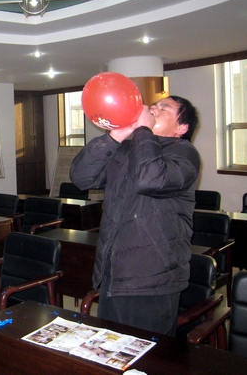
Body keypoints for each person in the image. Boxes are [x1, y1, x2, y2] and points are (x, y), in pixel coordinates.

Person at [70, 95, 200, 337]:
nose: (153, 109)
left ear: (182, 127)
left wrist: (142, 130)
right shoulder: (128, 148)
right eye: (154, 105)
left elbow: (150, 179)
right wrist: (115, 137)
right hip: (114, 272)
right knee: (111, 347)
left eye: (164, 108)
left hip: (152, 277)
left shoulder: (184, 153)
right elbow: (81, 178)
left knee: (146, 353)